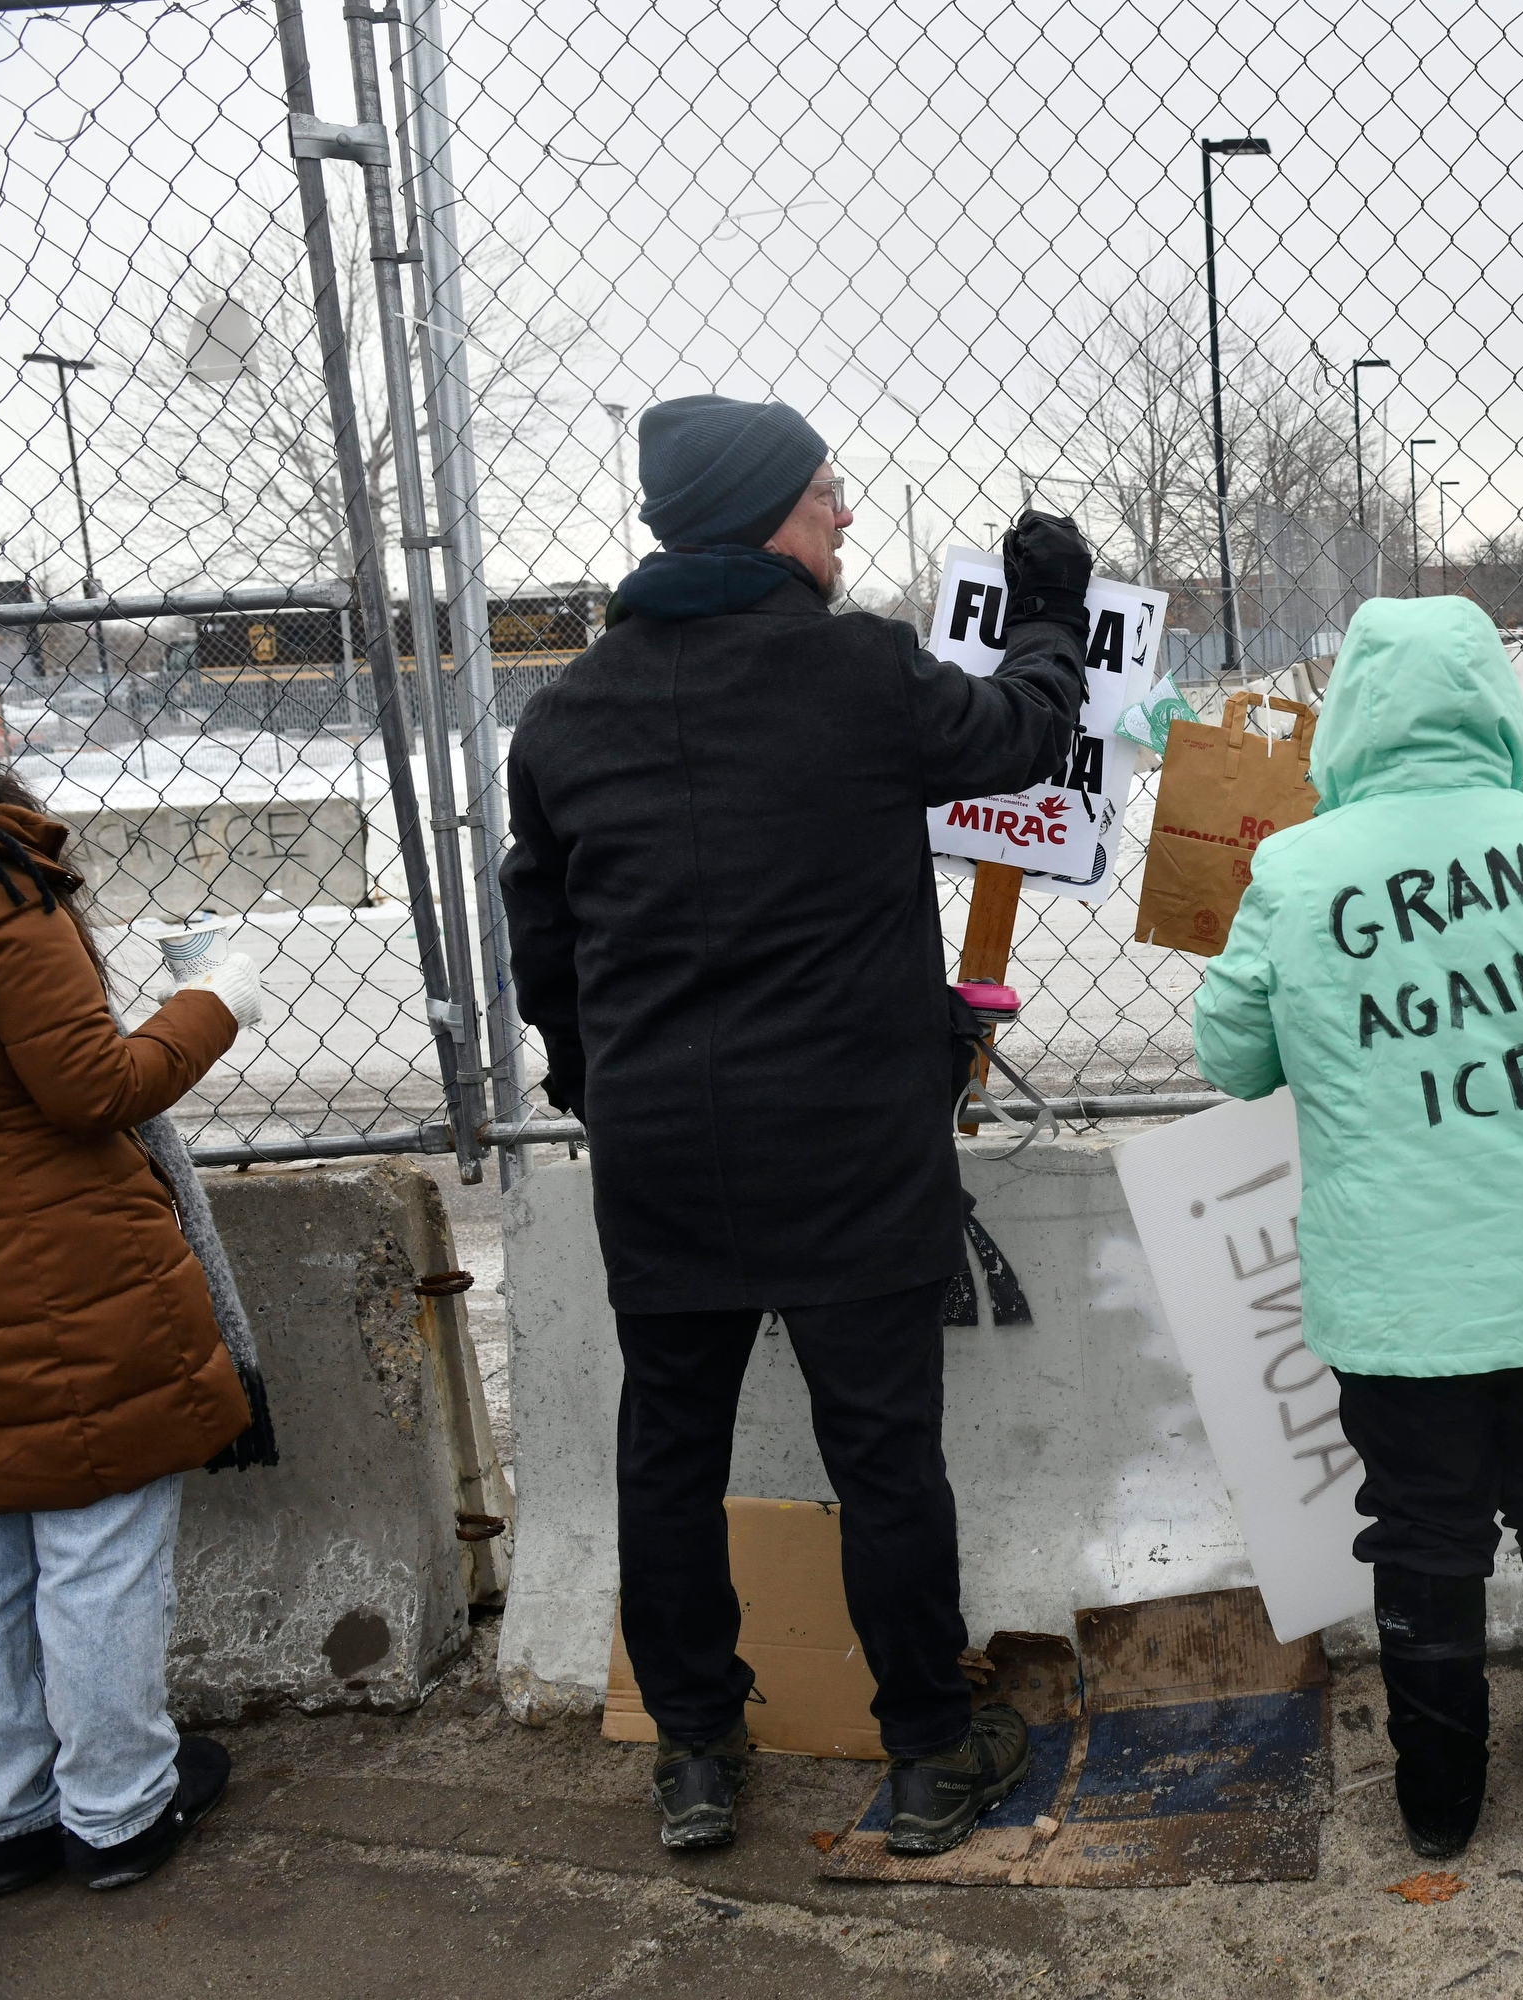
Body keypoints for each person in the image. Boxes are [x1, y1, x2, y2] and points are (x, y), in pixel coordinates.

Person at [500, 395, 1090, 1856]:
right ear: (764, 512)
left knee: (670, 1451)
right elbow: (1021, 736)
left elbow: (544, 948)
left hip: (665, 1154)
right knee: (885, 1456)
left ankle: (697, 1751)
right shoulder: (858, 673)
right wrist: (1051, 609)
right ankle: (932, 1752)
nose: (843, 514)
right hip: (849, 1144)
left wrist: (600, 1084)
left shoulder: (569, 714)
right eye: (827, 492)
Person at [1193, 595, 1523, 1859]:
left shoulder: (1296, 867)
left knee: (1423, 1530)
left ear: (1350, 712)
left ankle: (1440, 1796)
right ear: (1499, 703)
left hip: (1401, 1291)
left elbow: (1232, 1054)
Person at [0, 764, 267, 1896]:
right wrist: (217, 1000)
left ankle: (3, 1812)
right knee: (96, 1537)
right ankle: (119, 1805)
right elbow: (90, 1088)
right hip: (59, 1274)